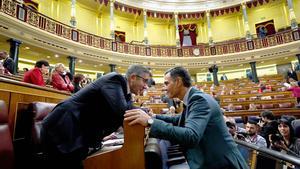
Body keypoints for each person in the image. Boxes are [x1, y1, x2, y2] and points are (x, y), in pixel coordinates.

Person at [124, 66, 248, 169]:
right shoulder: (192, 98)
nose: (164, 87)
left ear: (178, 81)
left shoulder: (198, 100)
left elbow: (191, 135)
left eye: (167, 83)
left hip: (223, 164)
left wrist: (150, 121)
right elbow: (179, 120)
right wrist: (154, 116)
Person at [40, 64, 151, 169]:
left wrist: (147, 113)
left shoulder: (125, 92)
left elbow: (129, 108)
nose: (146, 86)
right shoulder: (115, 79)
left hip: (75, 132)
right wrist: (148, 117)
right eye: (145, 81)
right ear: (133, 77)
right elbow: (122, 111)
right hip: (63, 127)